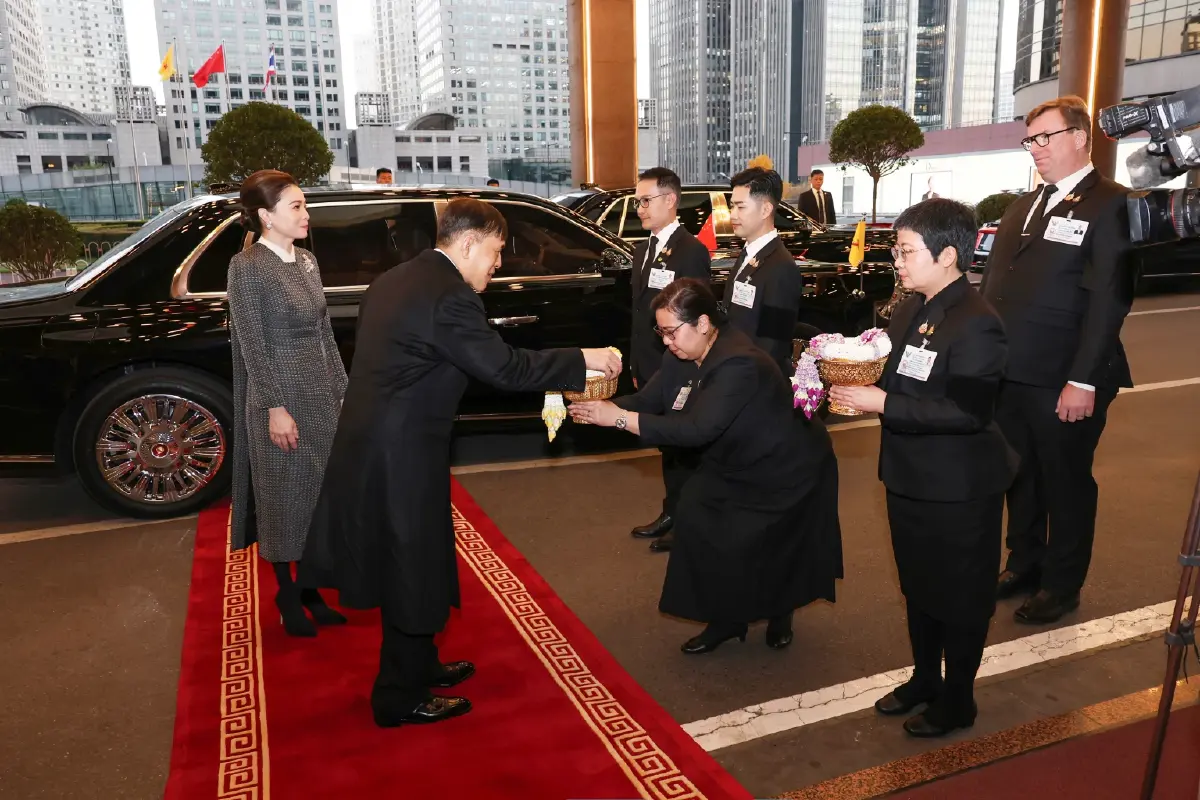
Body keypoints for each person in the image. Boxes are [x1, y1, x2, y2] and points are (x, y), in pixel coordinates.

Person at [300, 197, 622, 728]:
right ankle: (397, 697)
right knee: (410, 566)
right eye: (496, 251)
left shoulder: (396, 278)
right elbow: (504, 368)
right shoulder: (448, 296)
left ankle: (422, 664)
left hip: (378, 443)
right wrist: (582, 357)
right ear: (468, 242)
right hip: (401, 452)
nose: (498, 264)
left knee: (416, 557)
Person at [570, 278, 842, 654]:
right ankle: (726, 619)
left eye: (670, 332)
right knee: (701, 521)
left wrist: (618, 419)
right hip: (734, 457)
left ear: (702, 323)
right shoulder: (680, 355)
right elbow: (650, 401)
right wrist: (592, 409)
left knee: (773, 543)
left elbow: (699, 429)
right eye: (660, 332)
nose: (665, 341)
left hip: (785, 464)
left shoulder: (739, 362)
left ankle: (781, 611)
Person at [830, 198, 1016, 738]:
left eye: (908, 251)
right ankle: (924, 678)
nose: (898, 261)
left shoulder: (978, 323)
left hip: (959, 486)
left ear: (949, 254)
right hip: (909, 475)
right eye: (897, 249)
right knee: (919, 587)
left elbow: (968, 412)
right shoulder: (913, 307)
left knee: (960, 596)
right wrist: (846, 377)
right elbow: (900, 382)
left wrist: (881, 404)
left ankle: (959, 698)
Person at [980, 95, 1134, 625]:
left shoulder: (1111, 202)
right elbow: (999, 287)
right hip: (1011, 372)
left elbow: (1109, 298)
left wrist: (1083, 380)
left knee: (1065, 481)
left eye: (1045, 137)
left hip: (1066, 376)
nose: (1036, 149)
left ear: (1079, 137)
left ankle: (1062, 583)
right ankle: (1024, 562)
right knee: (1018, 475)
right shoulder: (1022, 204)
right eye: (1031, 140)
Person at [227, 169, 347, 638]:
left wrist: (344, 390)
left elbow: (325, 334)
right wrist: (275, 407)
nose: (306, 214)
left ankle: (312, 587)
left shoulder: (308, 262)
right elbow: (252, 345)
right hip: (278, 399)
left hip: (320, 394)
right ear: (265, 215)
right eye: (295, 206)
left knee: (318, 498)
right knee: (283, 500)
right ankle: (286, 592)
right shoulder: (247, 267)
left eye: (303, 205)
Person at [627, 167, 712, 553]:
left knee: (684, 446)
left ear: (670, 200)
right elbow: (639, 313)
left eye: (646, 201)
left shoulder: (690, 250)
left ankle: (688, 520)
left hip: (678, 364)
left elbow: (694, 319)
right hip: (650, 365)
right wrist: (635, 363)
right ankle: (672, 511)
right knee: (667, 445)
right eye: (638, 201)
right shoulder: (642, 249)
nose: (640, 209)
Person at [723, 167, 805, 378]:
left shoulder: (781, 267)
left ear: (765, 210)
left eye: (741, 207)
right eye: (732, 206)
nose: (733, 215)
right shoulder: (748, 253)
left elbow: (773, 344)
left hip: (753, 381)